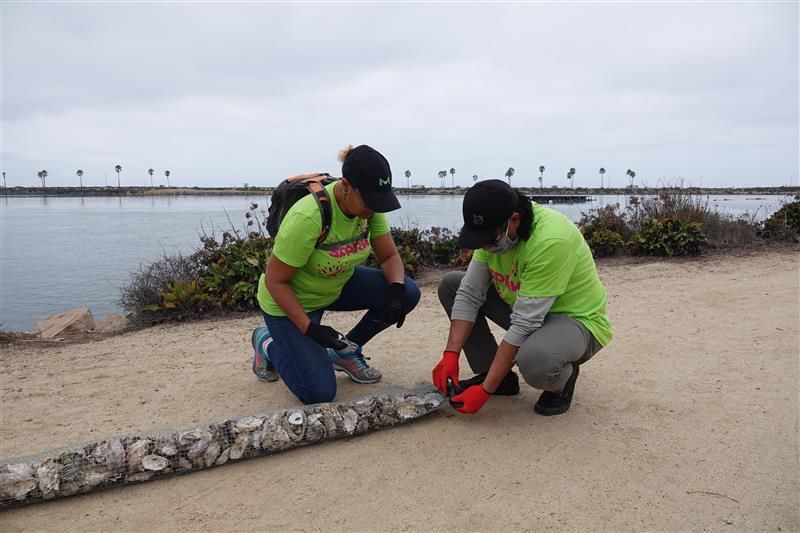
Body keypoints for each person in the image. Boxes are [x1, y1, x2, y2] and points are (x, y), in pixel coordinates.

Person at [251, 145, 420, 405]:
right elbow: (276, 280)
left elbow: (389, 257)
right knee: (318, 393)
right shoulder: (308, 217)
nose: (373, 210)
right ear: (345, 186)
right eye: (369, 202)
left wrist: (396, 290)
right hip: (290, 300)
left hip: (336, 283)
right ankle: (267, 343)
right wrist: (310, 329)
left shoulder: (369, 211)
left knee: (408, 291)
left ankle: (345, 352)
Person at [432, 179, 612, 416]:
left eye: (490, 240)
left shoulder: (550, 240)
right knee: (452, 285)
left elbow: (524, 324)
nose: (485, 247)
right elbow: (469, 294)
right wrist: (450, 355)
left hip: (575, 321)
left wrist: (485, 391)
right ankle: (500, 378)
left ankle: (561, 382)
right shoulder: (494, 229)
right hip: (527, 309)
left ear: (514, 220)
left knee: (535, 360)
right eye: (480, 241)